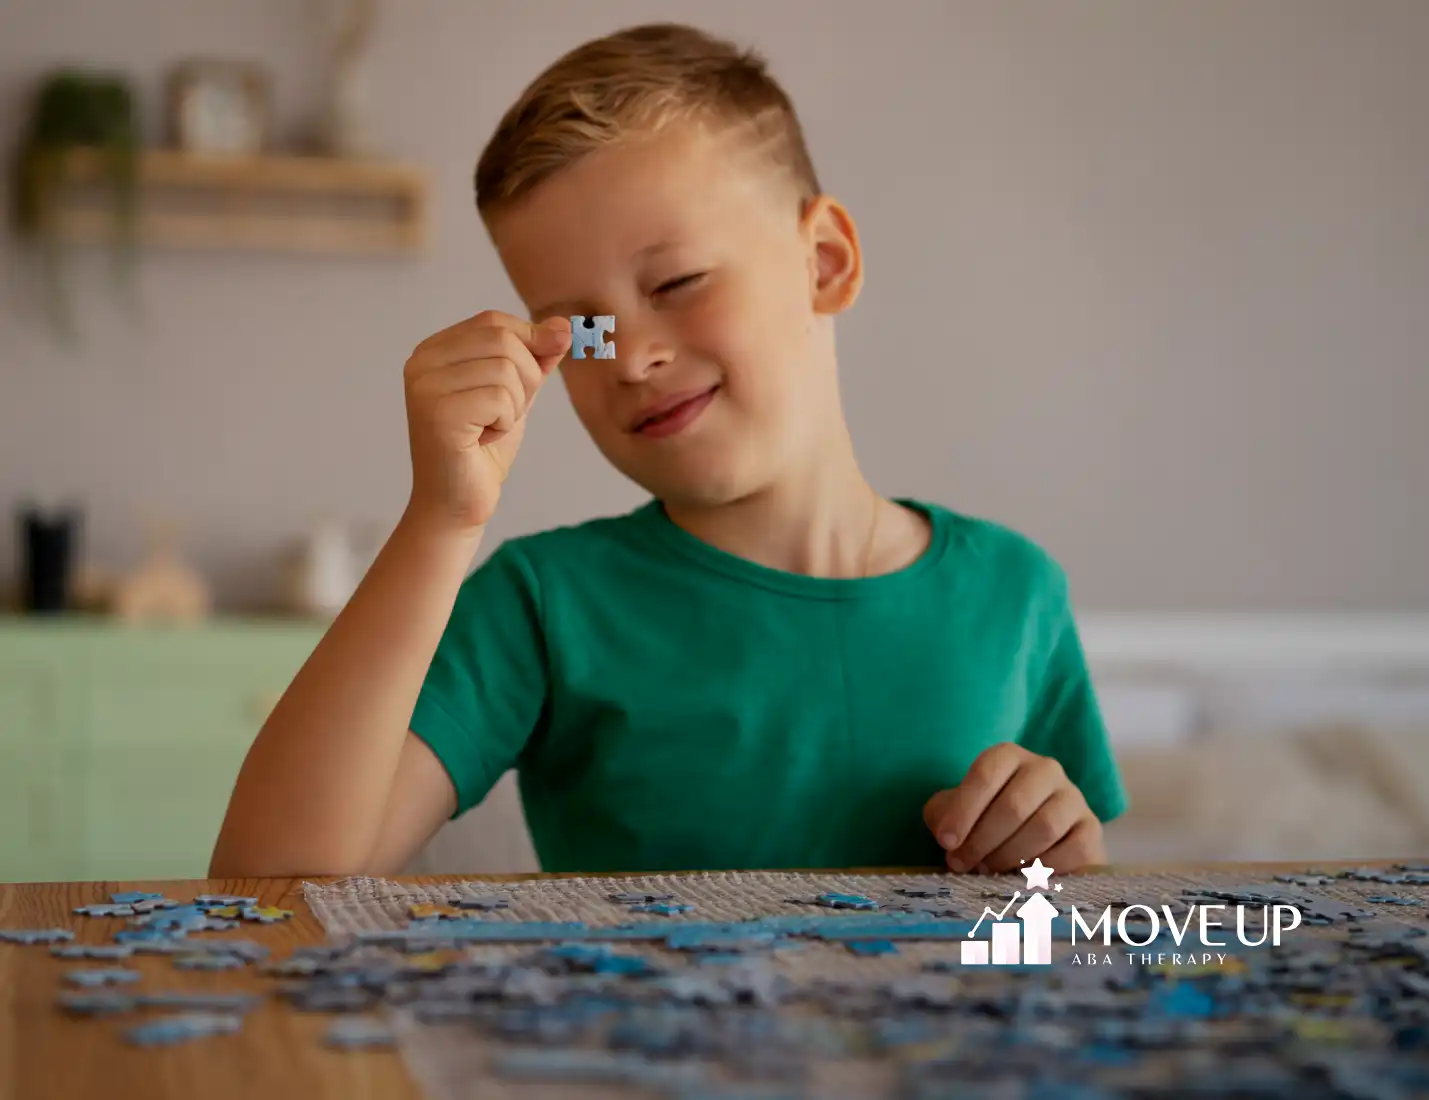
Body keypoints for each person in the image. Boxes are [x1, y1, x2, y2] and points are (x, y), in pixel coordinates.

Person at [210, 22, 1128, 880]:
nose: (638, 356)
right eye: (586, 330)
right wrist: (441, 519)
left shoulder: (1017, 594)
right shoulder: (542, 605)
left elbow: (1067, 924)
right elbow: (270, 885)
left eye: (679, 282)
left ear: (824, 263)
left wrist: (1058, 862)